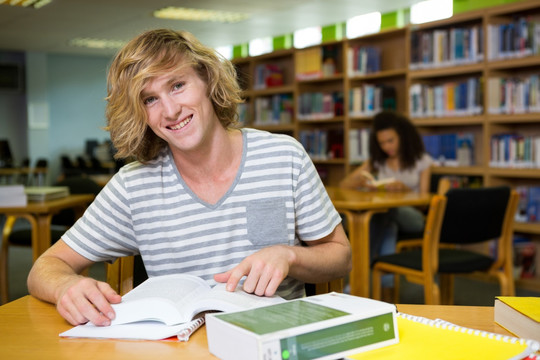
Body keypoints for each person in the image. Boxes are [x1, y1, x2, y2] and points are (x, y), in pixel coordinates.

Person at [27, 29, 351, 327]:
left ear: (207, 81)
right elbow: (45, 267)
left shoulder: (284, 157)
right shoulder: (133, 186)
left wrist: (290, 256)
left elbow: (340, 256)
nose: (169, 111)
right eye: (149, 99)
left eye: (177, 85)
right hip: (179, 348)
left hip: (272, 340)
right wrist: (67, 285)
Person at [340, 111, 432, 286]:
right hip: (386, 215)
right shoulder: (378, 161)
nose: (386, 147)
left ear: (403, 137)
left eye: (391, 140)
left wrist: (404, 189)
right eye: (381, 143)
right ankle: (386, 285)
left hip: (414, 218)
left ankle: (358, 276)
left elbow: (425, 202)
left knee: (384, 212)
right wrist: (359, 180)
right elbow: (344, 184)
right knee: (386, 221)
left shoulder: (422, 161)